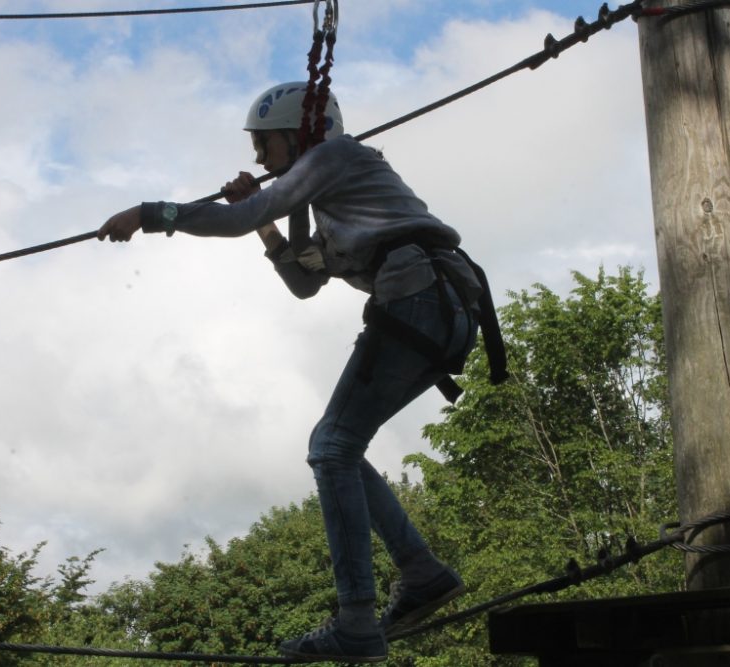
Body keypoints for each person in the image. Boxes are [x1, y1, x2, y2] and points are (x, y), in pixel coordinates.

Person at [98, 82, 491, 663]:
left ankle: (357, 619)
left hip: (419, 299)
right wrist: (260, 222)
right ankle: (421, 572)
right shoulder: (336, 206)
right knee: (340, 448)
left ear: (301, 132)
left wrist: (151, 214)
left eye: (263, 143)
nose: (257, 157)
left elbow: (241, 218)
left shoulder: (335, 157)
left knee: (331, 447)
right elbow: (305, 283)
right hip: (445, 307)